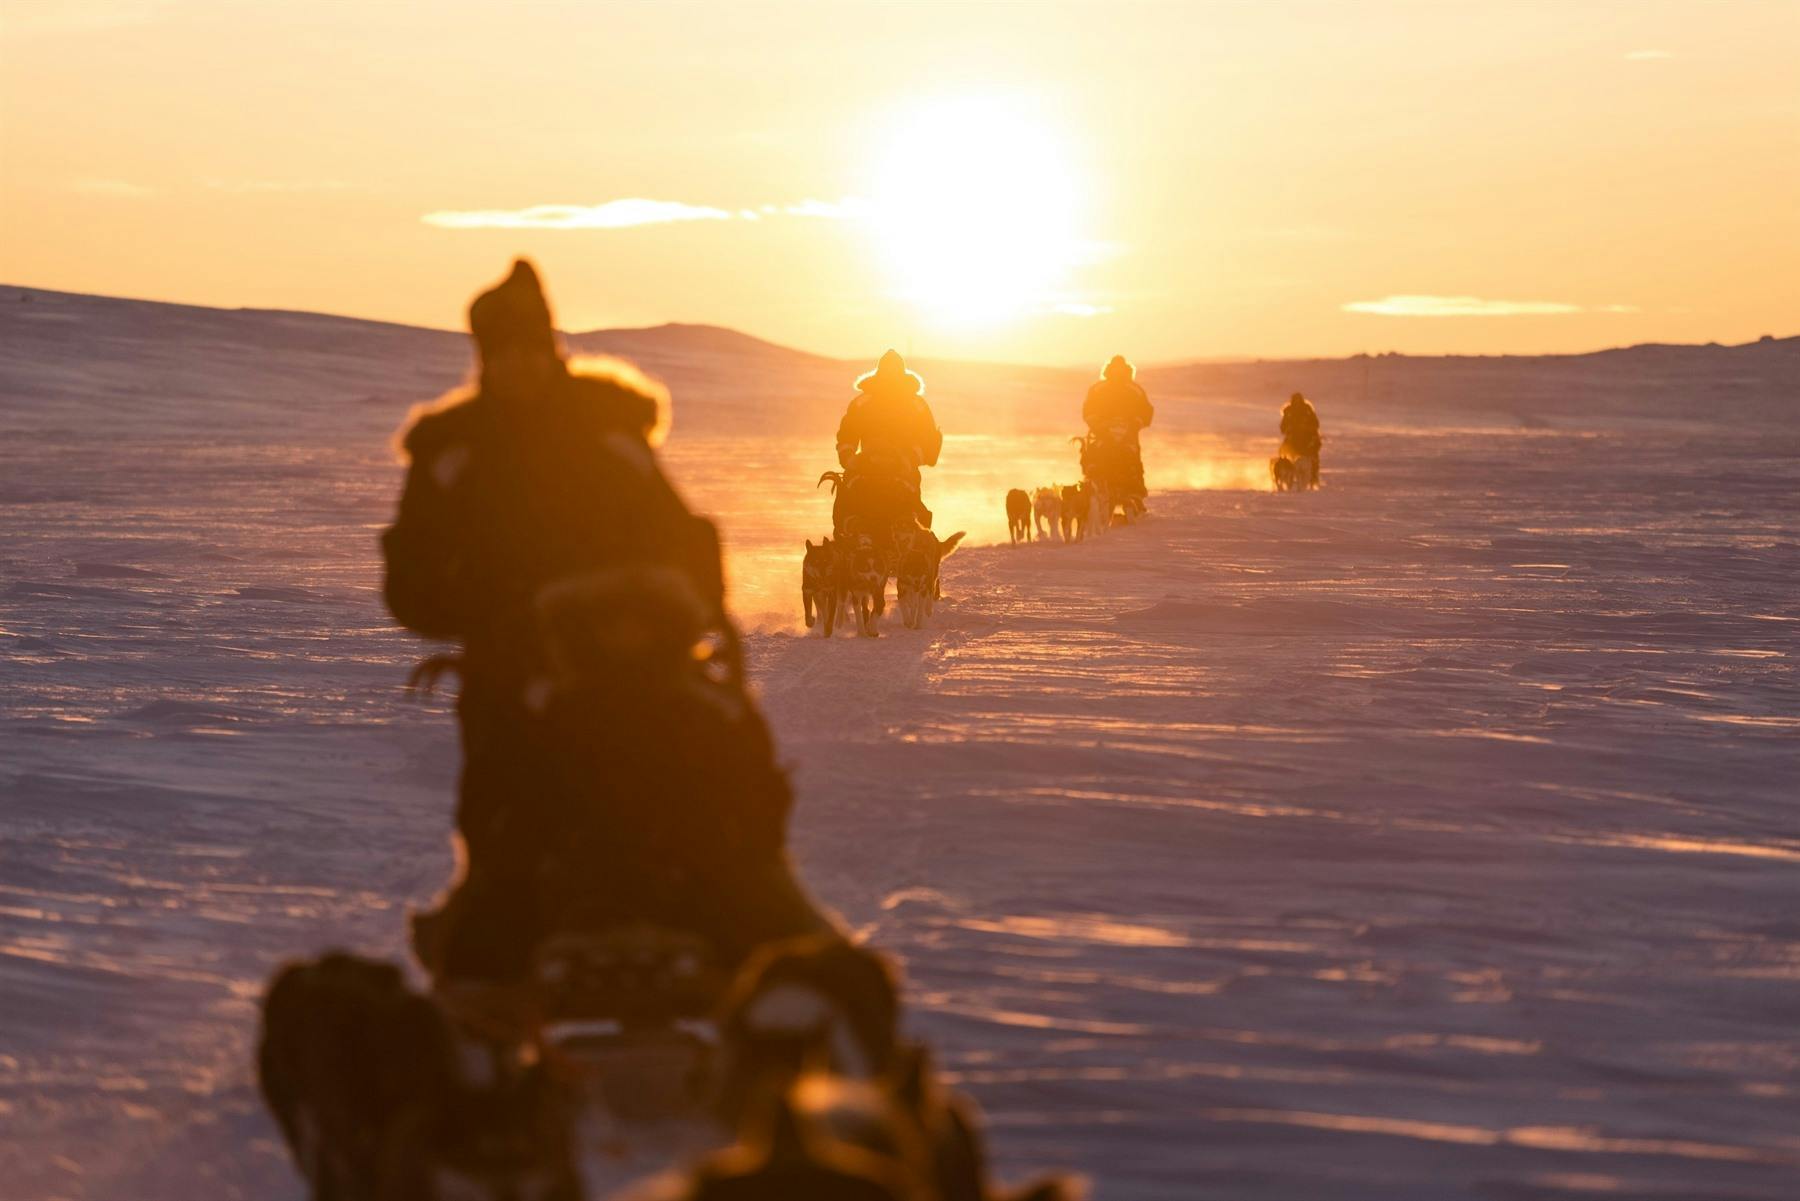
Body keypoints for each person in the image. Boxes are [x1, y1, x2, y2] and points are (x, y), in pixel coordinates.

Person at [382, 259, 837, 985]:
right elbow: (410, 582)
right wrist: (487, 613)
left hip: (642, 657)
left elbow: (681, 534)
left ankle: (785, 947)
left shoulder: (609, 433)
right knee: (504, 830)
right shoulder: (451, 452)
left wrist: (683, 601)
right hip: (514, 672)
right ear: (484, 359)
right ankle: (483, 981)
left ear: (552, 349)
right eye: (504, 353)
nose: (521, 366)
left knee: (720, 786)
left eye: (533, 349)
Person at [833, 350, 942, 532]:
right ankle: (846, 535)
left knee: (914, 509)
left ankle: (916, 543)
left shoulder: (916, 404)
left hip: (903, 466)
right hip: (866, 465)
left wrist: (912, 458)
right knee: (847, 500)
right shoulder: (863, 402)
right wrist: (849, 458)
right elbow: (847, 434)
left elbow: (929, 439)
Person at [1082, 355, 1153, 501]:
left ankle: (1135, 490)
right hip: (1102, 430)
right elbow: (1088, 408)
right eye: (1115, 370)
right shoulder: (1098, 388)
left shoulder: (1134, 389)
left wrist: (1138, 421)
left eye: (1120, 370)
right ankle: (1093, 483)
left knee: (1132, 456)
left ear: (1126, 370)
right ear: (1109, 370)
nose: (1117, 373)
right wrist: (1094, 422)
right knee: (1096, 455)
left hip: (1128, 430)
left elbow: (1145, 409)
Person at [1279, 391, 1322, 485]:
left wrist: (1308, 429)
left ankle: (1313, 478)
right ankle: (1287, 477)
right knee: (1285, 456)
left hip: (1308, 439)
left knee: (1312, 459)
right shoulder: (1288, 411)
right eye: (1295, 401)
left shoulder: (1307, 410)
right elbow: (1283, 427)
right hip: (1293, 440)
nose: (1297, 403)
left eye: (1299, 401)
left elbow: (1316, 424)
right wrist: (1288, 429)